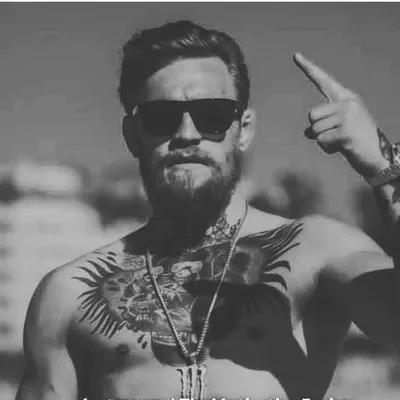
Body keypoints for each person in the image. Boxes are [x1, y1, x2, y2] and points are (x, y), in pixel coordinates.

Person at [16, 20, 400, 400]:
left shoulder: (315, 252)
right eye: (162, 117)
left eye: (212, 115)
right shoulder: (69, 296)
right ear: (133, 135)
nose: (187, 134)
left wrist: (385, 167)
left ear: (243, 129)